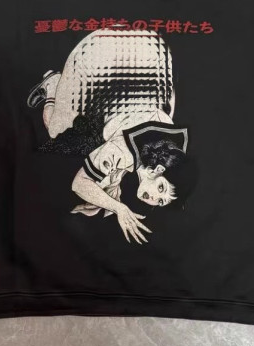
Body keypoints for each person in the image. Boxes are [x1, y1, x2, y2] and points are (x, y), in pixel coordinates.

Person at [27, 27, 197, 243]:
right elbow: (79, 183)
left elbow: (166, 98)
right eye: (161, 188)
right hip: (100, 61)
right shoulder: (123, 151)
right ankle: (53, 85)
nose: (154, 199)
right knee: (55, 131)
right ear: (159, 169)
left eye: (160, 201)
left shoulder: (166, 139)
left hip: (141, 56)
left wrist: (109, 187)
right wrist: (118, 208)